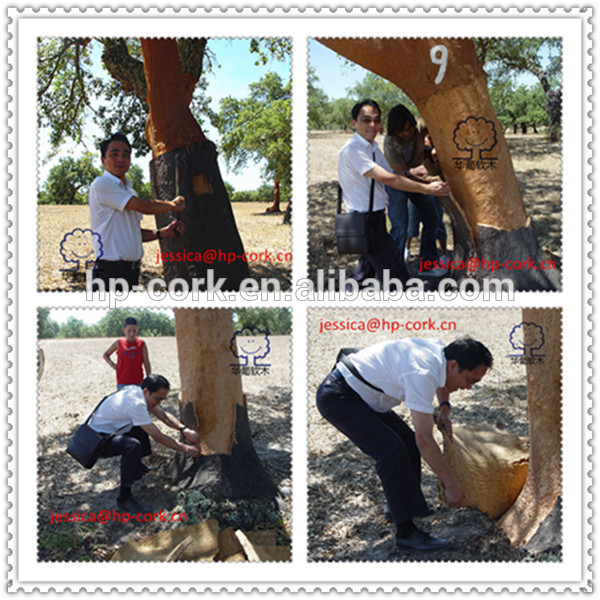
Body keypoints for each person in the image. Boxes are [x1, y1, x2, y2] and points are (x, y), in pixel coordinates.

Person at [316, 336, 493, 552]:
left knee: (406, 442)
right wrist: (451, 484)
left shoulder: (441, 353)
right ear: (454, 365)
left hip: (363, 395)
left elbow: (441, 380)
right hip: (340, 398)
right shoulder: (421, 372)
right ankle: (406, 535)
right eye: (470, 381)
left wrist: (444, 407)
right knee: (391, 450)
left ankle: (398, 508)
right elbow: (425, 441)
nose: (468, 388)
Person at [337, 100, 449, 290]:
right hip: (366, 222)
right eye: (366, 120)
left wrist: (412, 173)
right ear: (354, 123)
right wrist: (428, 189)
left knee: (362, 275)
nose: (372, 125)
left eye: (376, 120)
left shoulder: (371, 148)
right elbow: (389, 179)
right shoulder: (354, 150)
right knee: (398, 277)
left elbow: (395, 174)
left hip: (375, 219)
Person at [88, 374, 201, 514]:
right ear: (147, 391)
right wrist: (187, 450)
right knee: (132, 445)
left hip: (108, 432)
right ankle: (124, 498)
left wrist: (184, 430)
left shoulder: (137, 391)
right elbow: (158, 436)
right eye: (158, 398)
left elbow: (163, 416)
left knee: (140, 428)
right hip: (96, 443)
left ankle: (137, 467)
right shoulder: (136, 404)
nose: (159, 403)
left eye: (163, 399)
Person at [89, 133, 186, 290]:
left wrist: (163, 233)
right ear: (103, 160)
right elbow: (145, 206)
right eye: (114, 154)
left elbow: (134, 233)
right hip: (109, 272)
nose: (120, 159)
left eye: (125, 155)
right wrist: (172, 205)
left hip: (131, 271)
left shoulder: (130, 191)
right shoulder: (102, 184)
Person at [383, 106, 447, 276]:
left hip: (416, 176)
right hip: (397, 183)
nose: (408, 133)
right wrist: (428, 186)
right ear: (393, 131)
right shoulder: (390, 144)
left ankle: (428, 265)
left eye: (410, 128)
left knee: (432, 219)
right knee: (400, 227)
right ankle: (394, 274)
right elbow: (402, 177)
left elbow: (440, 126)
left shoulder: (420, 125)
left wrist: (431, 152)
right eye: (402, 131)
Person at [103, 317, 151, 390]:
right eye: (129, 331)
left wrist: (149, 379)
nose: (132, 333)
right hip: (122, 382)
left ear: (137, 330)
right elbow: (106, 355)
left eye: (134, 331)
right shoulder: (118, 343)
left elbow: (146, 363)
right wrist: (114, 366)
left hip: (138, 382)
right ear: (124, 330)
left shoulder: (142, 344)